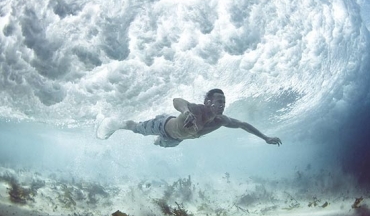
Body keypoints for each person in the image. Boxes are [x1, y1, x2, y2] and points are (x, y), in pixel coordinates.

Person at [96, 89, 282, 148]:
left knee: (157, 144)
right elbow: (177, 101)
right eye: (218, 101)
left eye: (224, 102)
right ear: (207, 102)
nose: (222, 105)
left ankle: (158, 140)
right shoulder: (196, 109)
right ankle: (116, 124)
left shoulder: (221, 121)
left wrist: (266, 138)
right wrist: (186, 111)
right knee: (136, 128)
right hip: (163, 126)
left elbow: (243, 125)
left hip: (175, 140)